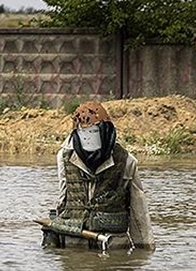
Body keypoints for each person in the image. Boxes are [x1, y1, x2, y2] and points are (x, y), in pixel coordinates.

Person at [42, 101, 155, 250]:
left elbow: (139, 213)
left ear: (105, 130)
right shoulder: (64, 157)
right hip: (74, 247)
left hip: (113, 247)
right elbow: (63, 199)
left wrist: (144, 252)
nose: (88, 138)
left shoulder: (126, 161)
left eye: (93, 132)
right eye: (83, 132)